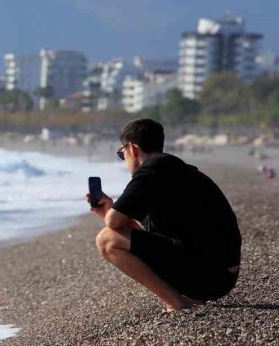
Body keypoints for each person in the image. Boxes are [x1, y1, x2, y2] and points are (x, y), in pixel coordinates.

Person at [89, 119, 241, 312]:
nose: (124, 159)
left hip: (211, 277)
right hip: (220, 274)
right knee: (119, 233)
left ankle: (176, 302)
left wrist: (110, 215)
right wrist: (109, 209)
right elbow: (147, 236)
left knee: (106, 240)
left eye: (122, 154)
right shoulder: (172, 168)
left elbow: (113, 222)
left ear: (132, 149)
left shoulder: (151, 171)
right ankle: (186, 297)